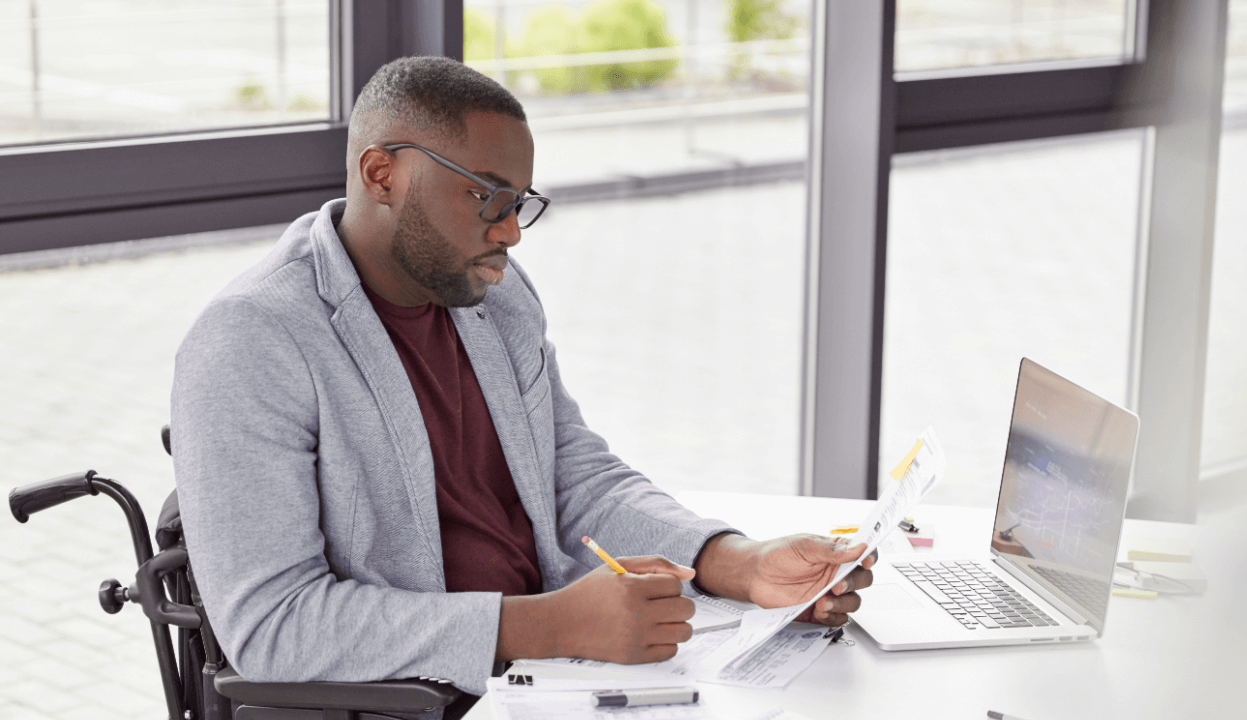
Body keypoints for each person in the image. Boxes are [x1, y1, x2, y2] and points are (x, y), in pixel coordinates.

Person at [170, 56, 876, 710]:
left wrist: (737, 564)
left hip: (551, 673)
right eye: (487, 198)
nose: (510, 233)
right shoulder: (251, 339)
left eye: (520, 202)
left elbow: (573, 474)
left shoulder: (494, 297)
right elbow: (272, 625)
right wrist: (546, 626)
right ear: (382, 174)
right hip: (434, 699)